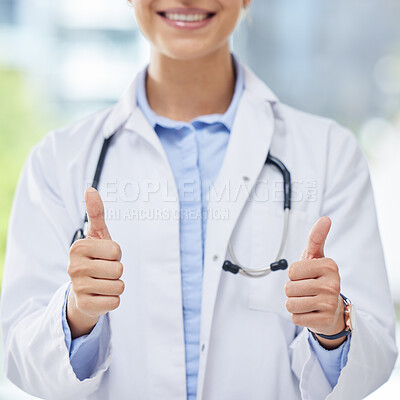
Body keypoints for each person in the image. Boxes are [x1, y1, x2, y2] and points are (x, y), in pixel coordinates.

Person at [0, 1, 397, 399]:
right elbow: (21, 359)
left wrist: (333, 328)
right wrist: (76, 315)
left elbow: (375, 355)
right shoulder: (56, 161)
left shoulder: (330, 154)